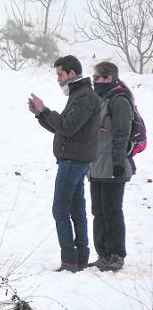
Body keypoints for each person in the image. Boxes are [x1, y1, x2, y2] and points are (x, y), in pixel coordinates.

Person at [28, 55, 101, 272]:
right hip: (73, 160)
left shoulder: (85, 96)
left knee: (60, 209)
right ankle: (79, 258)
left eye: (60, 74)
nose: (58, 79)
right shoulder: (78, 94)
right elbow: (64, 128)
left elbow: (67, 127)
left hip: (73, 161)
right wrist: (42, 115)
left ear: (71, 73)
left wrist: (46, 110)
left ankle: (70, 260)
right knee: (76, 208)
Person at [88, 62, 135, 271]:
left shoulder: (119, 101)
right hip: (96, 166)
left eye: (96, 77)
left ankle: (116, 255)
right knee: (98, 211)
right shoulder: (100, 99)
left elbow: (121, 135)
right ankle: (103, 254)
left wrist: (117, 163)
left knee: (112, 211)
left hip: (113, 167)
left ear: (108, 78)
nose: (94, 81)